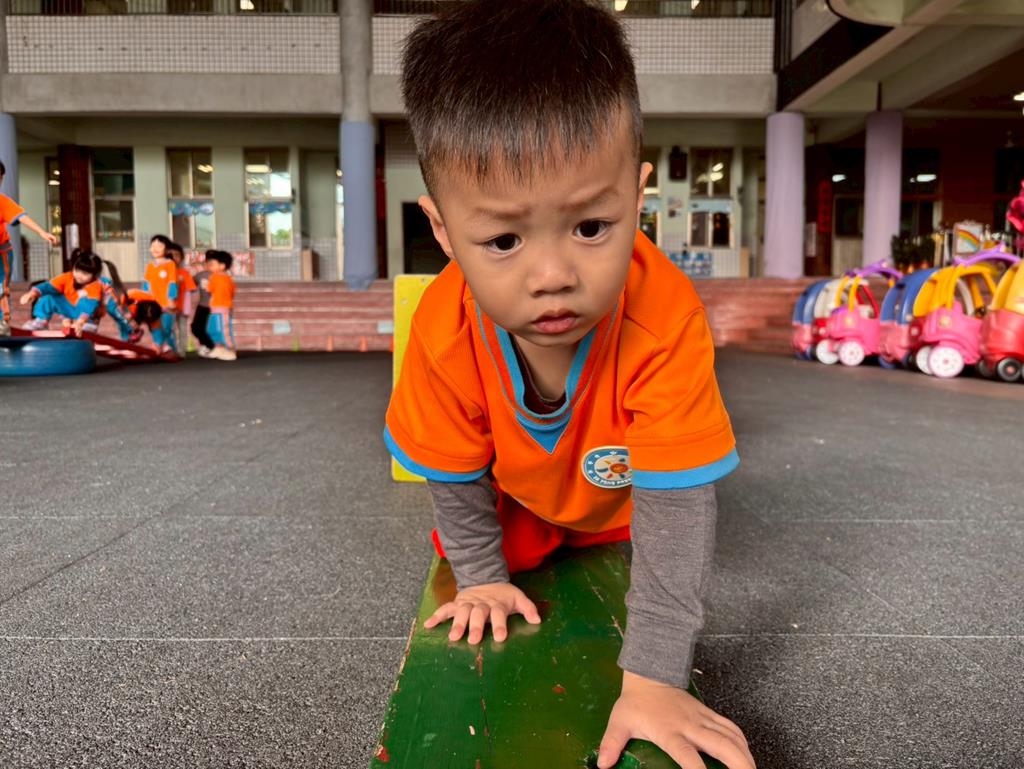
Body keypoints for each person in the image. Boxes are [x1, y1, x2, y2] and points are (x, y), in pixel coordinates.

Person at [383, 3, 753, 769]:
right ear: (443, 230)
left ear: (637, 198)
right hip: (520, 498)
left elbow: (680, 502)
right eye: (504, 239)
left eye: (590, 227)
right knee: (476, 549)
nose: (552, 276)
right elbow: (451, 471)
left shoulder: (665, 317)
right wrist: (481, 578)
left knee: (650, 549)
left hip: (623, 502)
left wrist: (654, 680)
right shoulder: (444, 330)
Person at [0, 160, 59, 335]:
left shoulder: (3, 202)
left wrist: (42, 232)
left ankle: (3, 323)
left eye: (0, 178)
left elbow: (22, 217)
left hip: (2, 253)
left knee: (1, 288)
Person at [19, 249, 104, 334]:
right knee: (48, 297)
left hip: (87, 317)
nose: (79, 275)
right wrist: (33, 293)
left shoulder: (96, 286)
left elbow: (89, 306)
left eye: (85, 274)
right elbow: (49, 286)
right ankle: (41, 321)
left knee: (85, 302)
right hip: (69, 311)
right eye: (77, 270)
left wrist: (80, 322)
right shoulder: (67, 277)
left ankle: (87, 325)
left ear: (94, 275)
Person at [143, 235, 179, 354]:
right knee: (154, 326)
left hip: (166, 303)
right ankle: (158, 344)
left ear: (167, 250)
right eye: (153, 245)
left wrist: (171, 299)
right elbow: (146, 284)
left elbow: (172, 283)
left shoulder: (170, 264)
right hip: (153, 303)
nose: (155, 248)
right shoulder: (150, 265)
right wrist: (144, 298)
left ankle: (172, 349)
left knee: (166, 328)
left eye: (159, 246)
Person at [204, 249, 236, 361]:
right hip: (216, 308)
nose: (209, 267)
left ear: (222, 266)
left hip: (223, 308)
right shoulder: (222, 278)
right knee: (212, 328)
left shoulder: (218, 278)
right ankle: (219, 348)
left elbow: (209, 289)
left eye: (212, 264)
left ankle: (230, 350)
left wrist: (206, 285)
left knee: (223, 329)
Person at [167, 242, 198, 356]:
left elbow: (192, 289)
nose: (173, 257)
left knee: (182, 328)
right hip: (168, 306)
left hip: (182, 306)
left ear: (181, 257)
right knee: (169, 328)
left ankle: (181, 350)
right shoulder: (164, 273)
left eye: (176, 255)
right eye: (170, 255)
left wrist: (180, 283)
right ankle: (171, 348)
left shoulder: (184, 273)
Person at [190, 254, 217, 357]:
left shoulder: (220, 276)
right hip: (202, 306)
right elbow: (191, 287)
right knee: (195, 327)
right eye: (207, 263)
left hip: (216, 307)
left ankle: (211, 347)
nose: (209, 266)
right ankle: (209, 345)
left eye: (212, 264)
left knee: (211, 329)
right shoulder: (200, 275)